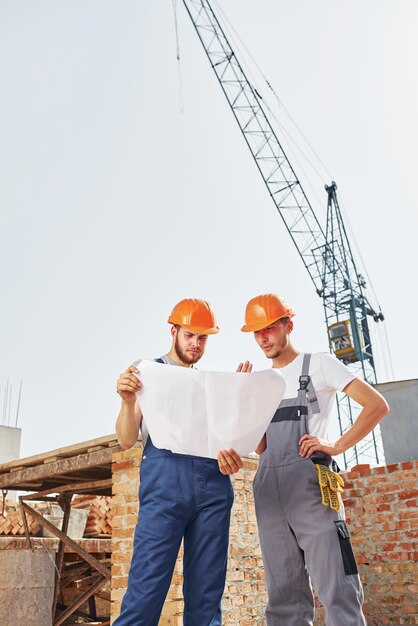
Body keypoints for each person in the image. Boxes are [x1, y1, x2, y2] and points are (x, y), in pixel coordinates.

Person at [218, 293, 389, 626]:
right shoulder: (262, 383)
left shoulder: (319, 364)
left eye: (269, 328)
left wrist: (336, 445)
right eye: (257, 331)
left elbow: (377, 405)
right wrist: (242, 400)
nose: (263, 337)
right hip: (270, 490)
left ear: (288, 325)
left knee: (337, 587)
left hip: (311, 488)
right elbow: (261, 447)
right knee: (284, 596)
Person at [114, 298, 234, 626]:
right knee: (145, 591)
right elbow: (126, 439)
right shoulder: (149, 371)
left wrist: (231, 456)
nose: (196, 343)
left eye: (203, 338)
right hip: (164, 486)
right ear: (174, 331)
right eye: (190, 335)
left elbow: (230, 439)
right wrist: (127, 402)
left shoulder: (212, 385)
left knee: (207, 597)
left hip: (213, 488)